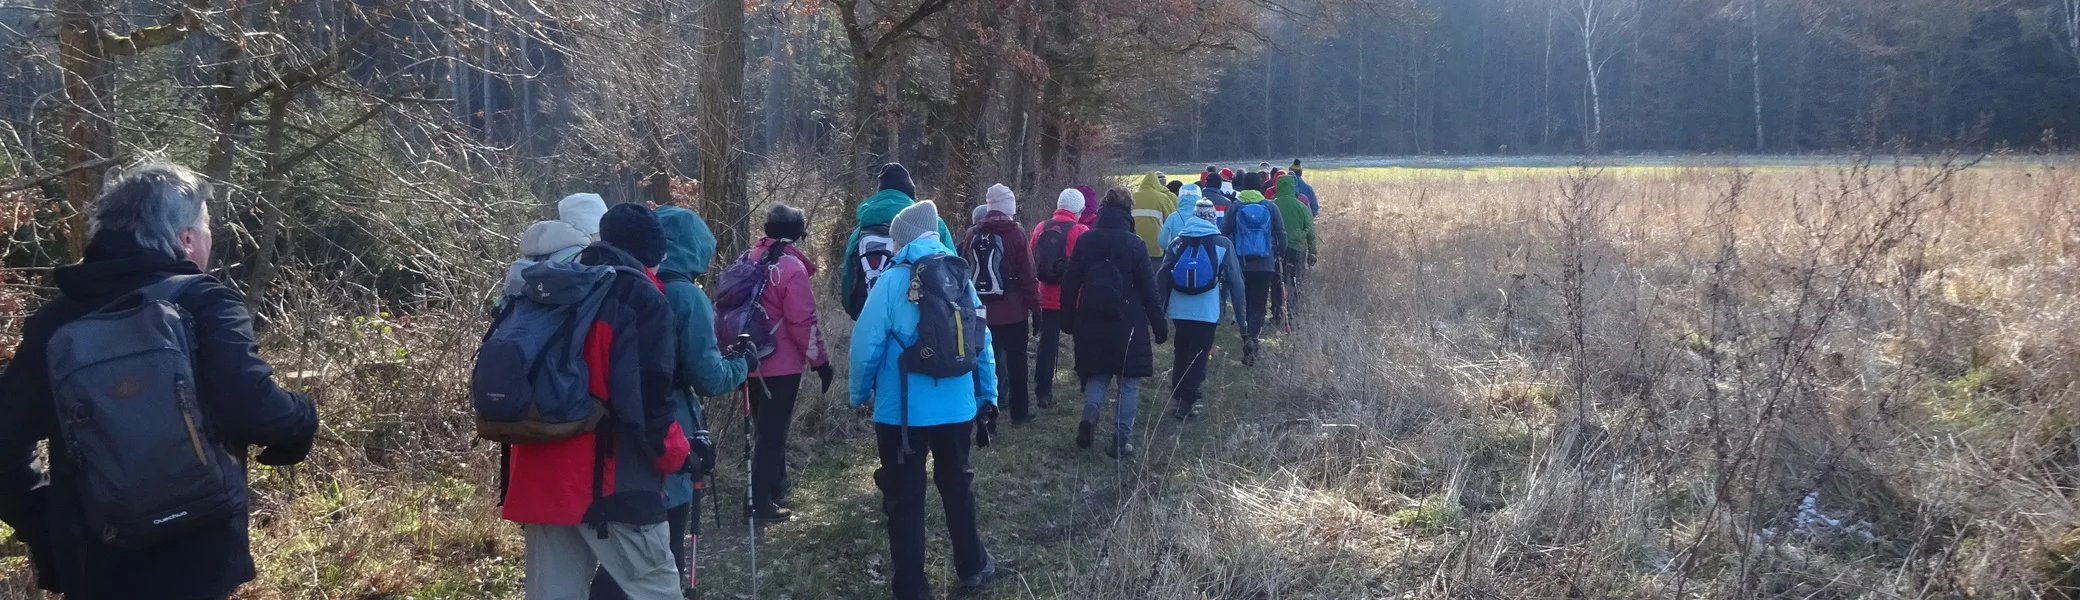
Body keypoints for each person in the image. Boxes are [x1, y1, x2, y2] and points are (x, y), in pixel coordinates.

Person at [0, 163, 319, 600]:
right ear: (186, 238)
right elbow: (253, 406)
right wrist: (301, 418)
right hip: (196, 553)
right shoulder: (203, 302)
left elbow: (4, 439)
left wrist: (48, 524)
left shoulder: (54, 322)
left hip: (93, 557)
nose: (208, 238)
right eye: (206, 227)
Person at [504, 202, 691, 600]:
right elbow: (646, 402)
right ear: (654, 253)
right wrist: (680, 454)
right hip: (610, 482)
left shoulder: (551, 282)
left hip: (540, 473)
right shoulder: (638, 296)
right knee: (657, 590)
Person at [592, 203, 750, 599]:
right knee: (661, 547)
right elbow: (709, 377)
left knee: (616, 549)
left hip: (605, 435)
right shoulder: (685, 296)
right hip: (666, 424)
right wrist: (743, 364)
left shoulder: (609, 281)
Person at [849, 200, 999, 600]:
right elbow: (982, 342)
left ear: (903, 239)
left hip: (902, 414)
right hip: (957, 407)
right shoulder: (959, 275)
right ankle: (973, 566)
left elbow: (865, 345)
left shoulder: (891, 281)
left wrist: (859, 392)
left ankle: (912, 588)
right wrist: (987, 394)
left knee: (904, 500)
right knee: (958, 486)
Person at [1060, 190, 1169, 458]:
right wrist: (1159, 326)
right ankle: (1121, 441)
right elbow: (1149, 291)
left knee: (1098, 373)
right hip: (1128, 322)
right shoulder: (1135, 244)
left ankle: (1090, 414)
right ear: (1128, 211)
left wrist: (1068, 320)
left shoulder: (1086, 239)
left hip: (1090, 319)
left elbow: (1070, 283)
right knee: (1128, 381)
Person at [741, 204, 831, 521]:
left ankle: (775, 488)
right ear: (797, 233)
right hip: (780, 364)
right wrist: (820, 362)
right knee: (772, 433)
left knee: (763, 428)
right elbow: (802, 321)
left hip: (747, 359)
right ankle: (758, 503)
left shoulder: (747, 258)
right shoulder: (791, 267)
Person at [1156, 198, 1249, 421]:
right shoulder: (1222, 244)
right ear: (1212, 219)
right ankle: (1188, 400)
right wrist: (1242, 320)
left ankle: (1178, 396)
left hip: (1179, 308)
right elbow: (1236, 284)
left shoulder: (1177, 242)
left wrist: (1159, 310)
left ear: (1194, 217)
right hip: (1207, 310)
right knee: (1199, 352)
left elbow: (1162, 276)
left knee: (1181, 349)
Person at [960, 185, 1041, 424]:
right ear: (1009, 208)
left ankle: (988, 416)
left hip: (982, 312)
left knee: (986, 365)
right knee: (1017, 362)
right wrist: (1036, 308)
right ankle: (1019, 412)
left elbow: (964, 272)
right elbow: (1028, 275)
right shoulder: (1016, 233)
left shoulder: (972, 233)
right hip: (1014, 312)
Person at [841, 163, 953, 320]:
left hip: (871, 311)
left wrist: (855, 311)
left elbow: (848, 276)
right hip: (925, 315)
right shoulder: (933, 223)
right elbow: (953, 267)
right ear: (909, 194)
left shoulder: (862, 229)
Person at [1030, 188, 1090, 411]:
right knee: (1082, 340)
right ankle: (1086, 382)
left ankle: (1042, 391)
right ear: (1078, 210)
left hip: (1046, 295)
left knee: (1047, 343)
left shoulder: (1041, 227)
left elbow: (1031, 258)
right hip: (1074, 298)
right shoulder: (1080, 230)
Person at [1219, 174, 1287, 364]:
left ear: (1242, 187)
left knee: (1243, 302)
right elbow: (1281, 233)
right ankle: (1254, 337)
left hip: (1240, 264)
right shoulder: (1270, 207)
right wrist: (1279, 254)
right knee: (1258, 303)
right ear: (1260, 187)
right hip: (1265, 264)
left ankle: (1245, 336)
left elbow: (1223, 232)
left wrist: (1227, 255)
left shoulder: (1235, 207)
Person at [1272, 173, 1318, 327]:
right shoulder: (1302, 207)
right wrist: (1312, 253)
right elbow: (1311, 232)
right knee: (1296, 280)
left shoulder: (1272, 205)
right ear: (1293, 186)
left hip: (1277, 250)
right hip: (1297, 249)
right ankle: (1294, 312)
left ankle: (1277, 314)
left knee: (1277, 281)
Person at [1129, 172, 1176, 273]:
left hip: (1134, 244)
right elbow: (1171, 218)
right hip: (1155, 245)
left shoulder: (1132, 197)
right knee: (1154, 274)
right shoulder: (1162, 198)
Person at [1158, 183, 1207, 250]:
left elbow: (1162, 241)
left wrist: (1173, 251)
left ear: (1180, 198)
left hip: (1177, 254)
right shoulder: (1205, 217)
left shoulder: (1173, 217)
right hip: (1201, 254)